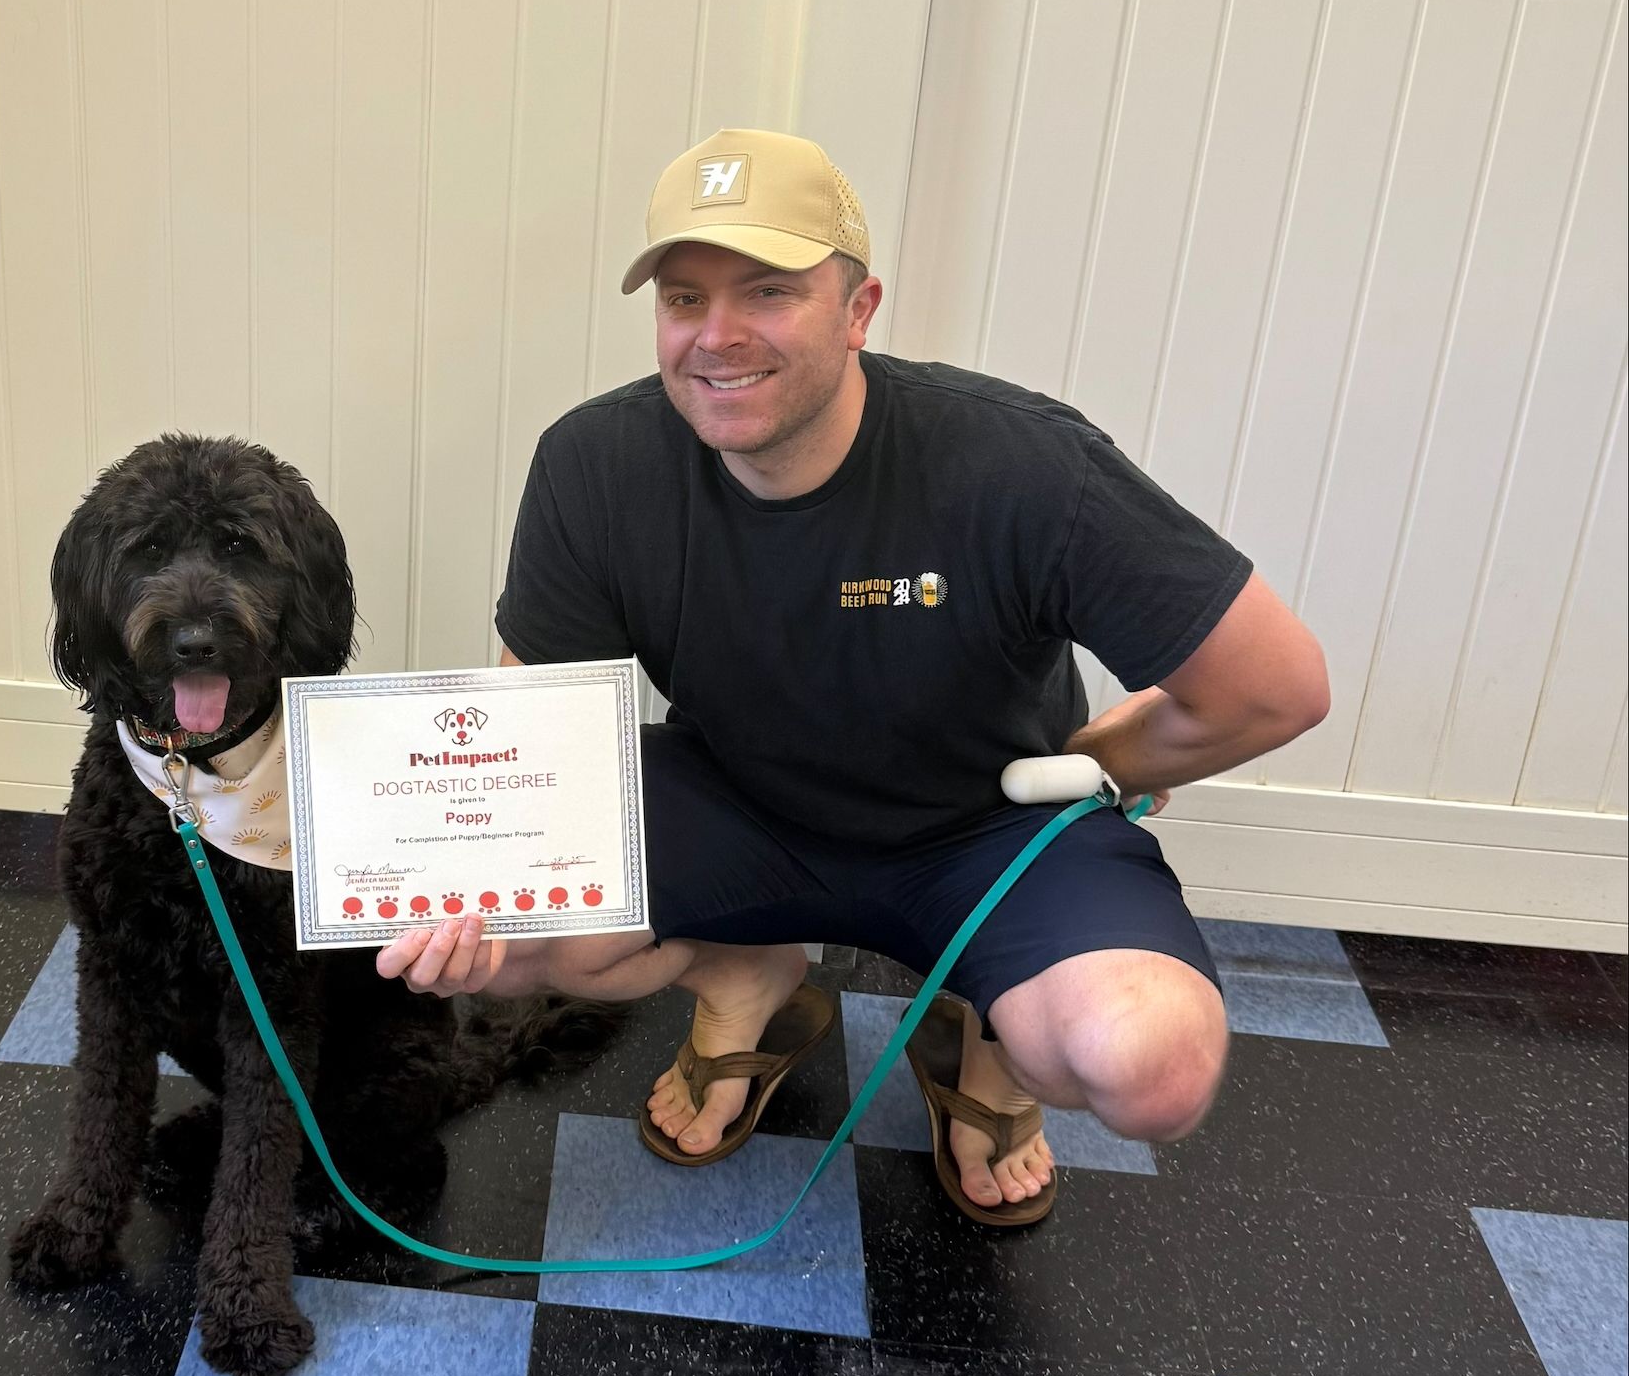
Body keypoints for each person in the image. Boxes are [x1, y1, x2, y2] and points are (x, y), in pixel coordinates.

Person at [377, 128, 1329, 1222]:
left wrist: (1092, 762)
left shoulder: (1020, 463)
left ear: (859, 308)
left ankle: (993, 1032)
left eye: (768, 291)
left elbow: (1275, 685)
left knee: (1149, 1065)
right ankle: (749, 978)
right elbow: (532, 750)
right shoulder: (593, 463)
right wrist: (468, 902)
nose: (717, 336)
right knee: (515, 935)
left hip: (983, 831)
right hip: (742, 810)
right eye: (684, 299)